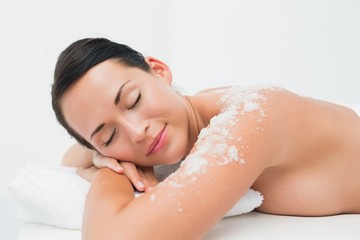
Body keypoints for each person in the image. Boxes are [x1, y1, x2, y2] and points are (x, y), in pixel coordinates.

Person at [52, 38, 360, 239]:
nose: (136, 132)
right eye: (109, 136)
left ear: (159, 71)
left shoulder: (248, 119)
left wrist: (109, 173)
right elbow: (70, 158)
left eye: (133, 101)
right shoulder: (198, 110)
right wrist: (99, 158)